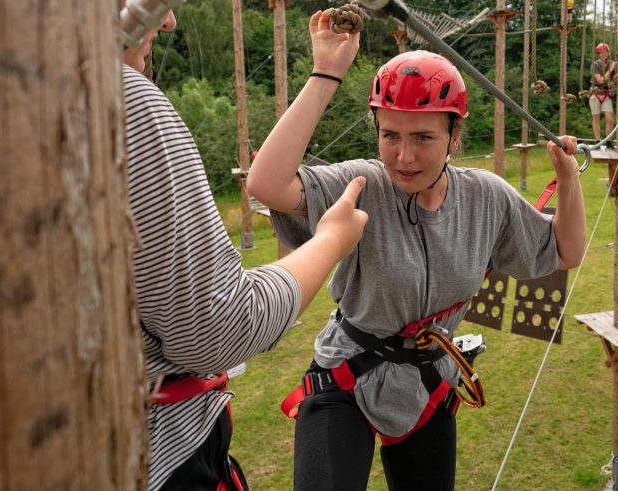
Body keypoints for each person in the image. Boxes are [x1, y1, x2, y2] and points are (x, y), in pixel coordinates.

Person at [114, 0, 369, 491]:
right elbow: (218, 327)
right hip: (161, 463)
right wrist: (331, 242)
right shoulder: (122, 103)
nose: (168, 16)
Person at [246, 31, 587, 491]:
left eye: (424, 137)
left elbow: (566, 251)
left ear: (454, 137)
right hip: (347, 374)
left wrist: (569, 181)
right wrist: (326, 74)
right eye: (390, 135)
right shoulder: (363, 183)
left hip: (428, 379)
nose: (404, 157)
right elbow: (265, 185)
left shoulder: (485, 198)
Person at [589, 42, 616, 144]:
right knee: (596, 118)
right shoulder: (595, 65)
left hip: (606, 93)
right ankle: (597, 141)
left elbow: (614, 79)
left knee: (609, 119)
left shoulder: (612, 63)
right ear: (599, 54)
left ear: (608, 53)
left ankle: (609, 141)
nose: (604, 54)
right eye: (601, 53)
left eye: (605, 52)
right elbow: (600, 80)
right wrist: (611, 69)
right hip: (596, 93)